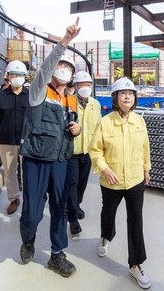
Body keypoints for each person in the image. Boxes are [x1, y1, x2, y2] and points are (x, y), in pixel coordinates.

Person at [19, 19, 81, 278]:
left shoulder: (72, 99)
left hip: (61, 160)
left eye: (68, 67)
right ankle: (29, 237)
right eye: (61, 65)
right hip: (36, 159)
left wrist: (76, 129)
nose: (63, 69)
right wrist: (65, 43)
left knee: (60, 207)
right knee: (33, 211)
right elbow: (44, 68)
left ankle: (57, 254)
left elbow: (72, 125)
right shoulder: (39, 91)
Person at [89, 77, 152, 289]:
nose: (128, 96)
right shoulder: (105, 123)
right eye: (123, 93)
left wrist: (146, 169)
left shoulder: (139, 121)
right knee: (108, 213)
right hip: (111, 181)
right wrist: (104, 169)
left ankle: (136, 264)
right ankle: (105, 236)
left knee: (136, 220)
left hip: (135, 180)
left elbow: (145, 148)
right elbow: (95, 150)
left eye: (131, 93)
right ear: (115, 98)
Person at [0, 60, 29, 215]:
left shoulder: (31, 96)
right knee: (10, 172)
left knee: (28, 171)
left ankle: (30, 200)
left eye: (20, 74)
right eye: (14, 74)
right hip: (6, 142)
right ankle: (14, 199)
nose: (17, 77)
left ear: (25, 77)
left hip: (27, 143)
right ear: (8, 76)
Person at [66, 71, 102, 236]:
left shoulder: (95, 104)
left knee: (82, 183)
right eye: (82, 85)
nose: (85, 88)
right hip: (72, 151)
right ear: (75, 86)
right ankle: (72, 220)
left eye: (88, 84)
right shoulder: (68, 102)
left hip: (88, 152)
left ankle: (76, 205)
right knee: (72, 184)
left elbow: (99, 128)